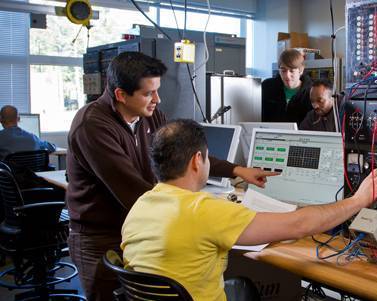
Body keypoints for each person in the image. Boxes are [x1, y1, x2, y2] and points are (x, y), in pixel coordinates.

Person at [66, 52, 277, 301]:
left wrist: (237, 170)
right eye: (148, 93)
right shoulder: (92, 126)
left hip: (136, 229)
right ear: (121, 95)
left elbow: (184, 151)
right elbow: (134, 194)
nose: (157, 99)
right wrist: (204, 215)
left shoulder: (150, 114)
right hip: (101, 236)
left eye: (157, 90)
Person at [121, 119, 377, 301]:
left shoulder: (140, 205)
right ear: (197, 160)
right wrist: (359, 200)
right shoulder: (204, 211)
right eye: (208, 157)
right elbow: (299, 225)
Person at [262, 49, 312, 124]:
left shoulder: (311, 92)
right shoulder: (267, 87)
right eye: (283, 70)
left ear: (301, 70)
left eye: (292, 71)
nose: (287, 76)